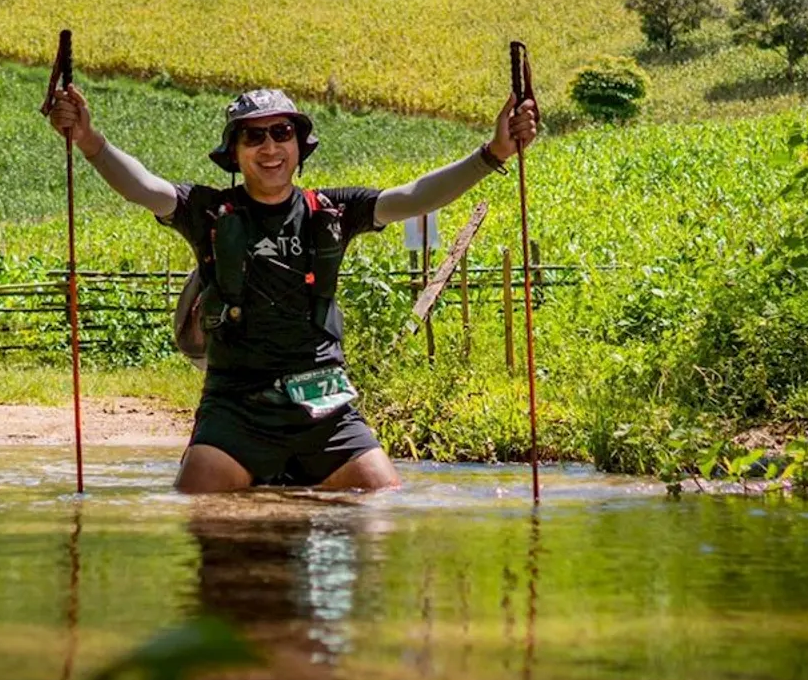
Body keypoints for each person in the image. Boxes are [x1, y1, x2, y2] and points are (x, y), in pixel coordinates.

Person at [44, 84, 537, 493]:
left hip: (327, 407)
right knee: (200, 515)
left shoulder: (334, 211)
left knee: (384, 507)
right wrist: (89, 141)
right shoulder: (210, 211)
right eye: (253, 137)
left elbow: (413, 198)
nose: (270, 147)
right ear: (235, 154)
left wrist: (493, 153)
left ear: (300, 145)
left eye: (281, 133)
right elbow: (145, 188)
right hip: (236, 408)